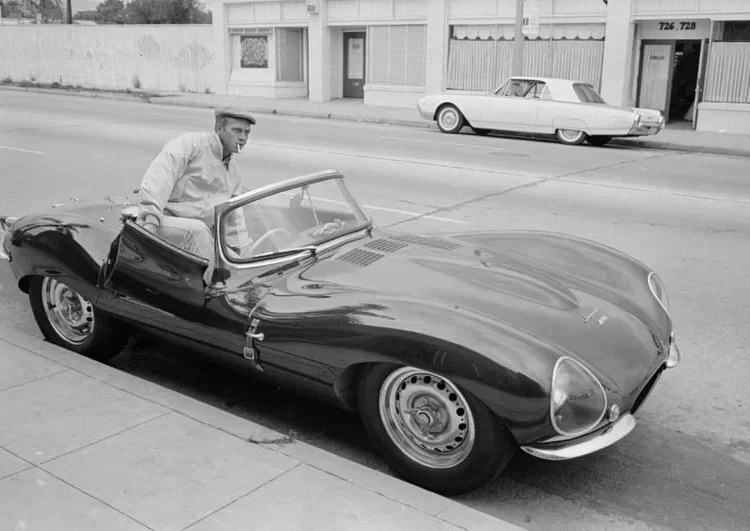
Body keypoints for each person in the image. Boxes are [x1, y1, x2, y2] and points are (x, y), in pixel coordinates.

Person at [136, 106, 255, 283]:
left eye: (247, 132)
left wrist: (242, 252)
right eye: (237, 130)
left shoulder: (234, 172)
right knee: (197, 231)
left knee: (240, 264)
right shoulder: (191, 144)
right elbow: (159, 177)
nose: (243, 138)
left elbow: (233, 217)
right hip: (162, 222)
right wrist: (150, 222)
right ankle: (211, 293)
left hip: (201, 235)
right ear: (219, 128)